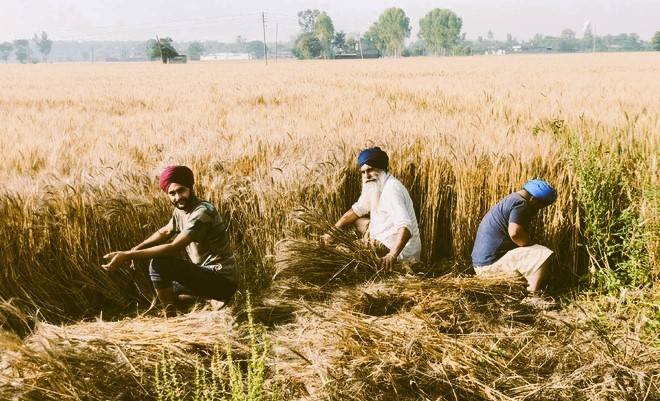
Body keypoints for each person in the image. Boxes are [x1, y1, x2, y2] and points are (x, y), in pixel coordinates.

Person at [102, 165, 238, 307]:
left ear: (190, 187)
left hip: (222, 279)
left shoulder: (202, 212)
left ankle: (170, 315)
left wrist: (129, 255)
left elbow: (174, 248)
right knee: (168, 289)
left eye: (181, 191)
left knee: (159, 265)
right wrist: (136, 248)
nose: (178, 197)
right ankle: (210, 299)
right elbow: (166, 231)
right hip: (205, 275)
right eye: (172, 193)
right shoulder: (182, 210)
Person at [326, 147, 422, 270]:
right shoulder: (373, 186)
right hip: (383, 237)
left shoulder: (392, 189)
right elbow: (356, 210)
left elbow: (406, 227)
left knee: (344, 253)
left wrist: (392, 255)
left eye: (370, 170)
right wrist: (332, 232)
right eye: (363, 172)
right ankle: (367, 241)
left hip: (399, 251)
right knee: (355, 220)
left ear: (382, 169)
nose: (366, 176)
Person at [471, 179, 557, 303]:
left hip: (480, 264)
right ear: (533, 200)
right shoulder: (522, 205)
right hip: (489, 267)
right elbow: (515, 233)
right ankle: (533, 297)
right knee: (543, 253)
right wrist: (530, 245)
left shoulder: (511, 199)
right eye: (541, 205)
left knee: (531, 255)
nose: (539, 210)